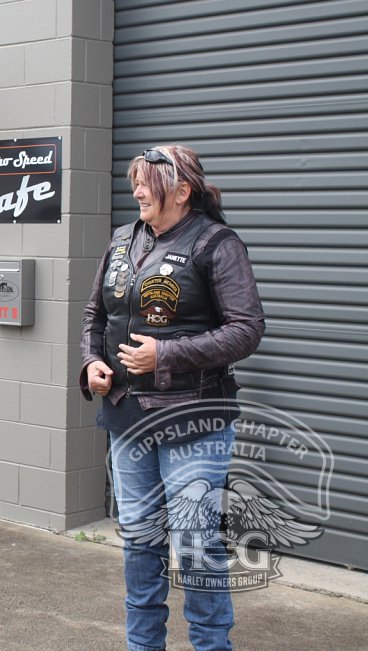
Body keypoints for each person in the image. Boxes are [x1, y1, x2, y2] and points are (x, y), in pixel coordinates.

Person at [80, 145, 265, 651]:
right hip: (126, 416)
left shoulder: (216, 244)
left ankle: (211, 646)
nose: (136, 190)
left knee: (194, 544)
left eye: (147, 183)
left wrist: (165, 354)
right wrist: (92, 364)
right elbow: (95, 315)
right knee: (140, 540)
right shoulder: (123, 240)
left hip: (195, 421)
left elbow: (247, 331)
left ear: (182, 192)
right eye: (134, 181)